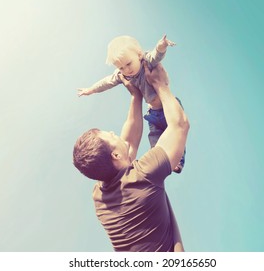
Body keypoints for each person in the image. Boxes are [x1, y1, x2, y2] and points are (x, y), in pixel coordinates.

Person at [73, 63, 190, 252]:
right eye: (110, 135)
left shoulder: (100, 198)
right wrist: (161, 85)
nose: (113, 132)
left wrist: (136, 96)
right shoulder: (144, 175)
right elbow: (180, 125)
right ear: (116, 155)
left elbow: (128, 143)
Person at [77, 35, 186, 173]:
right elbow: (106, 82)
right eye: (121, 68)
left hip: (167, 108)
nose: (126, 70)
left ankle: (178, 160)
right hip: (152, 113)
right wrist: (91, 89)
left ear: (139, 54)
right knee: (155, 136)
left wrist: (161, 46)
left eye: (128, 64)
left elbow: (156, 55)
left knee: (176, 132)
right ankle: (161, 160)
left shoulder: (146, 62)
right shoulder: (123, 75)